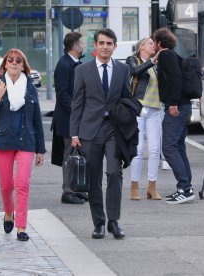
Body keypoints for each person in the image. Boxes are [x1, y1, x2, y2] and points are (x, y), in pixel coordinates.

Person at [70, 28, 131, 239]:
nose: (105, 47)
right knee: (93, 178)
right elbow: (77, 102)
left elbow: (126, 99)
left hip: (114, 129)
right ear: (95, 46)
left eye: (109, 43)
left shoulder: (123, 70)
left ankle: (114, 221)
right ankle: (99, 223)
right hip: (89, 130)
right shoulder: (82, 70)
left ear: (114, 46)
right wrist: (74, 133)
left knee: (114, 173)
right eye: (102, 43)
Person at [0, 48, 46, 241]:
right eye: (10, 60)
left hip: (26, 141)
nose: (14, 63)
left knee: (22, 184)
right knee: (6, 185)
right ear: (4, 65)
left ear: (23, 66)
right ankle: (8, 212)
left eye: (18, 60)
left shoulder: (30, 87)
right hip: (3, 142)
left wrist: (40, 149)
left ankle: (21, 227)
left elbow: (37, 120)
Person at [152, 27, 195, 204]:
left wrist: (173, 103)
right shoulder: (173, 55)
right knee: (178, 146)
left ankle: (185, 188)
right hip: (184, 107)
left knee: (169, 148)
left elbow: (176, 78)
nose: (153, 44)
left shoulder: (165, 55)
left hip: (176, 108)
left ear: (159, 43)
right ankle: (186, 187)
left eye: (154, 41)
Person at [51, 32, 88, 205]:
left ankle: (76, 188)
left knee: (77, 153)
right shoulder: (64, 65)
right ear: (75, 46)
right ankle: (68, 191)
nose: (84, 44)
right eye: (82, 42)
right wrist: (76, 111)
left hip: (75, 118)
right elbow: (62, 94)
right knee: (69, 155)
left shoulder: (74, 63)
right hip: (67, 119)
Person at [126, 38, 163, 201]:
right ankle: (134, 186)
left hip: (155, 109)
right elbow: (135, 72)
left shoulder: (157, 64)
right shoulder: (133, 59)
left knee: (155, 150)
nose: (153, 45)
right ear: (141, 46)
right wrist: (151, 61)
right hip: (139, 107)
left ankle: (152, 186)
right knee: (139, 149)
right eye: (149, 43)